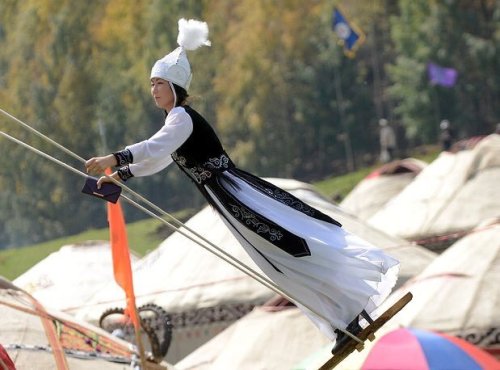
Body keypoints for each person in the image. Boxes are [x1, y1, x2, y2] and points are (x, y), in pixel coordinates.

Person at [85, 18, 399, 354]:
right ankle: (341, 319)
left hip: (235, 192)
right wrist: (122, 174)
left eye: (159, 83)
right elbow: (159, 157)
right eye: (151, 84)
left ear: (174, 86)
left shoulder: (182, 118)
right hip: (225, 199)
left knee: (289, 250)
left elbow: (155, 147)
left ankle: (348, 307)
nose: (153, 89)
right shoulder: (173, 121)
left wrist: (115, 159)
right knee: (278, 264)